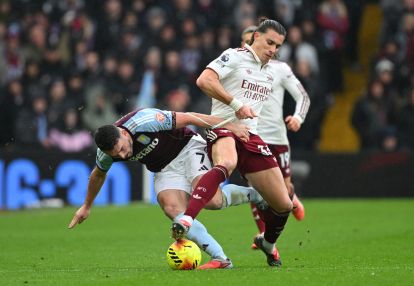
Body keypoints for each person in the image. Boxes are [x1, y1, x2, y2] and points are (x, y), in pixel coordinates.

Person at [172, 19, 293, 267]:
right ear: (256, 37)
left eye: (278, 46)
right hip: (223, 127)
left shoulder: (272, 71)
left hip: (251, 135)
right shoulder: (234, 56)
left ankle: (267, 243)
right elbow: (204, 81)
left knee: (284, 204)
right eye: (269, 42)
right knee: (227, 161)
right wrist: (235, 105)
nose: (273, 49)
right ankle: (187, 219)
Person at [68, 108, 252, 270]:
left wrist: (230, 126)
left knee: (213, 201)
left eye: (122, 149)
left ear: (123, 134)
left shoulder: (145, 121)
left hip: (188, 147)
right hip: (164, 169)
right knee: (172, 208)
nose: (123, 155)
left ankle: (257, 195)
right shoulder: (106, 153)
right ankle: (220, 258)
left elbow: (190, 117)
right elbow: (98, 174)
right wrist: (87, 205)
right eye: (117, 155)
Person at [234, 25, 309, 249]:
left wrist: (298, 118)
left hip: (277, 137)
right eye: (244, 41)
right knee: (256, 188)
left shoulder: (279, 69)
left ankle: (292, 199)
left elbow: (302, 96)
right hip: (251, 135)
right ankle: (264, 235)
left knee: (283, 191)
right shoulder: (237, 65)